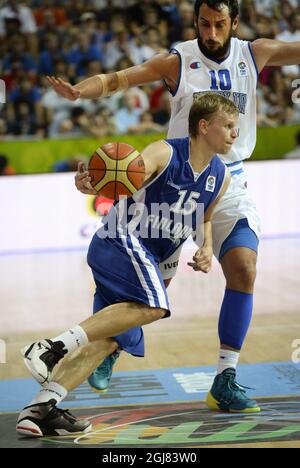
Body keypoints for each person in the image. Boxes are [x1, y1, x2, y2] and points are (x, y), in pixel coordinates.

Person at [47, 0, 300, 412]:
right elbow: (117, 80)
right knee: (150, 292)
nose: (212, 33)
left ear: (235, 23)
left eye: (220, 25)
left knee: (245, 268)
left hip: (229, 178)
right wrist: (79, 91)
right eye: (204, 24)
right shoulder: (177, 60)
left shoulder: (256, 53)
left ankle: (225, 377)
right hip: (177, 176)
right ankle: (111, 348)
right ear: (195, 21)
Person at [17, 93, 239, 437]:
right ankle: (50, 347)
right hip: (123, 239)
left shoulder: (221, 174)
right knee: (154, 307)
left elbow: (205, 217)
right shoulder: (165, 153)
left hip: (158, 258)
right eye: (228, 126)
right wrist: (94, 183)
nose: (234, 133)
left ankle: (41, 409)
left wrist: (207, 247)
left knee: (109, 339)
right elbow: (123, 175)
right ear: (204, 126)